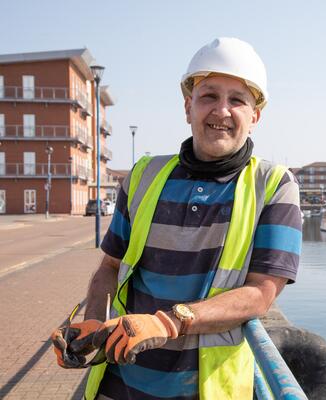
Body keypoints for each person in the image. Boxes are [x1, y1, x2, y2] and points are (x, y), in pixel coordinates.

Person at [51, 37, 302, 400]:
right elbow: (109, 266)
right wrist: (94, 319)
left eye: (237, 100)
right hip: (119, 384)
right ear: (188, 107)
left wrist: (167, 322)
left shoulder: (274, 184)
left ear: (255, 115)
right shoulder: (143, 175)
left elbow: (262, 292)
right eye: (209, 96)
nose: (221, 111)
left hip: (206, 389)